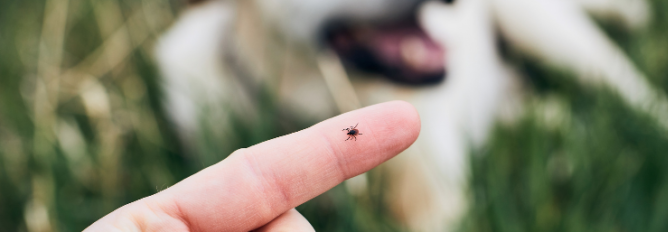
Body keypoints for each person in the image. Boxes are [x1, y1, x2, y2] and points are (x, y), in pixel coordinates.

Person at [84, 101, 420, 232]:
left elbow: (352, 133)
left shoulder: (351, 131)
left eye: (352, 131)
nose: (352, 131)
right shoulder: (350, 131)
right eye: (352, 131)